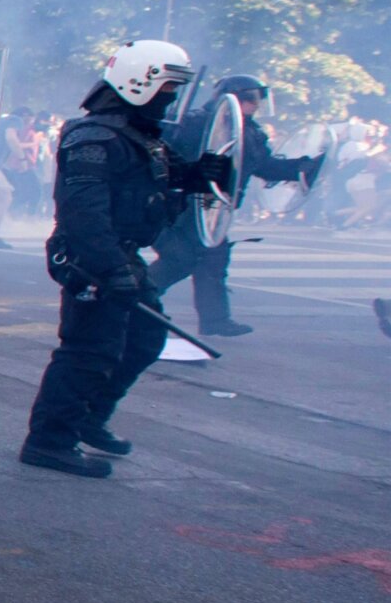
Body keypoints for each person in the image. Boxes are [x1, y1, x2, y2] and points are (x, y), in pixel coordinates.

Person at [20, 41, 230, 478]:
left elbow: (163, 179)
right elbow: (83, 212)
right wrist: (111, 269)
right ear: (139, 82)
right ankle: (49, 441)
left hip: (120, 254)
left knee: (145, 337)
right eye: (167, 87)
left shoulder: (138, 136)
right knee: (88, 351)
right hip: (91, 257)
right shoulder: (94, 137)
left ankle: (89, 419)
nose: (171, 98)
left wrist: (201, 175)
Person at [147, 74, 323, 337]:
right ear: (232, 97)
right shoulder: (195, 123)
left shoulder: (248, 131)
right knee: (179, 260)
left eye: (259, 98)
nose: (257, 104)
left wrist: (301, 167)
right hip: (180, 206)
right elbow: (166, 158)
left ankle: (215, 321)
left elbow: (264, 166)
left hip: (214, 209)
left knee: (213, 262)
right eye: (251, 98)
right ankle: (129, 302)